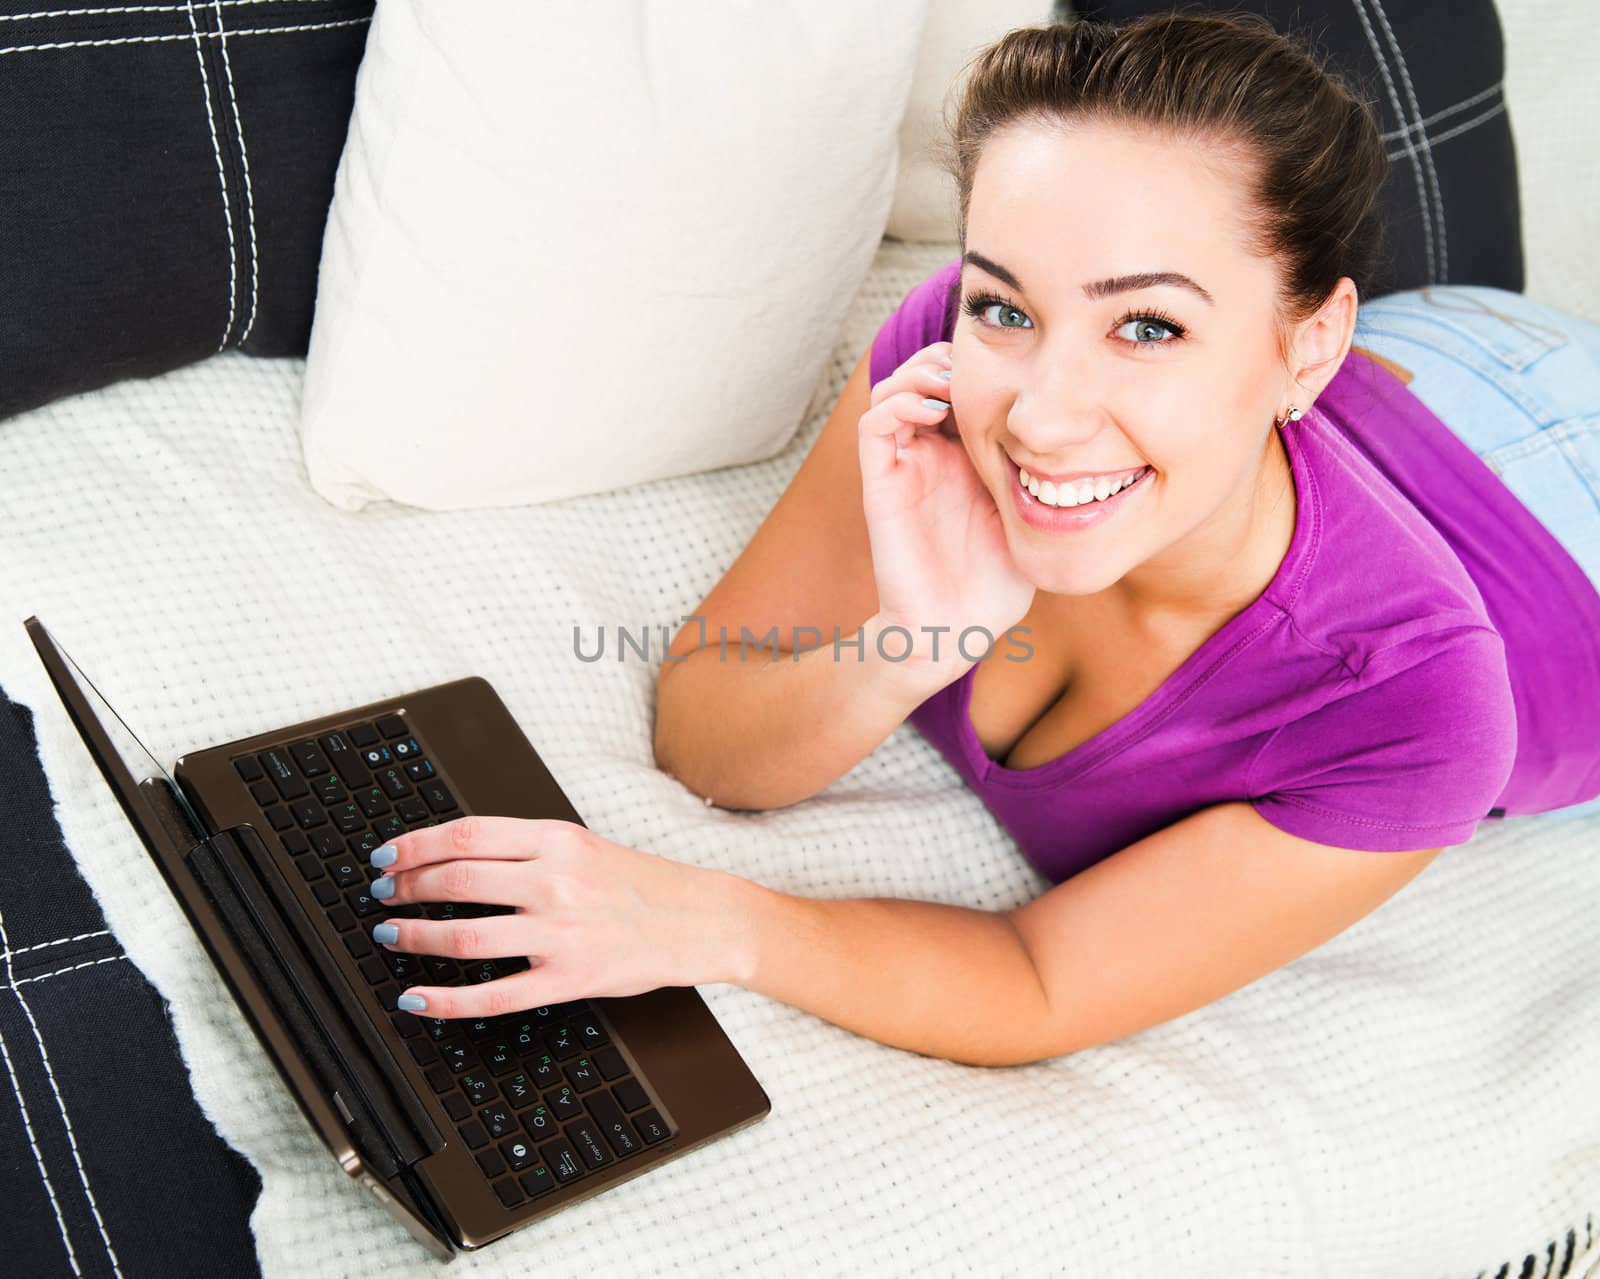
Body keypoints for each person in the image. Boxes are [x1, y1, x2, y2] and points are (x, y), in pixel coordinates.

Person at [363, 13, 1600, 1067]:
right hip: (1419, 369)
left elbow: (1034, 982)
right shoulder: (946, 372)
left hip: (1564, 529)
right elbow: (706, 730)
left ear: (1303, 349)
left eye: (1148, 327)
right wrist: (912, 640)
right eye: (1010, 302)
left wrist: (712, 922)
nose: (1043, 418)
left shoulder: (1423, 711)